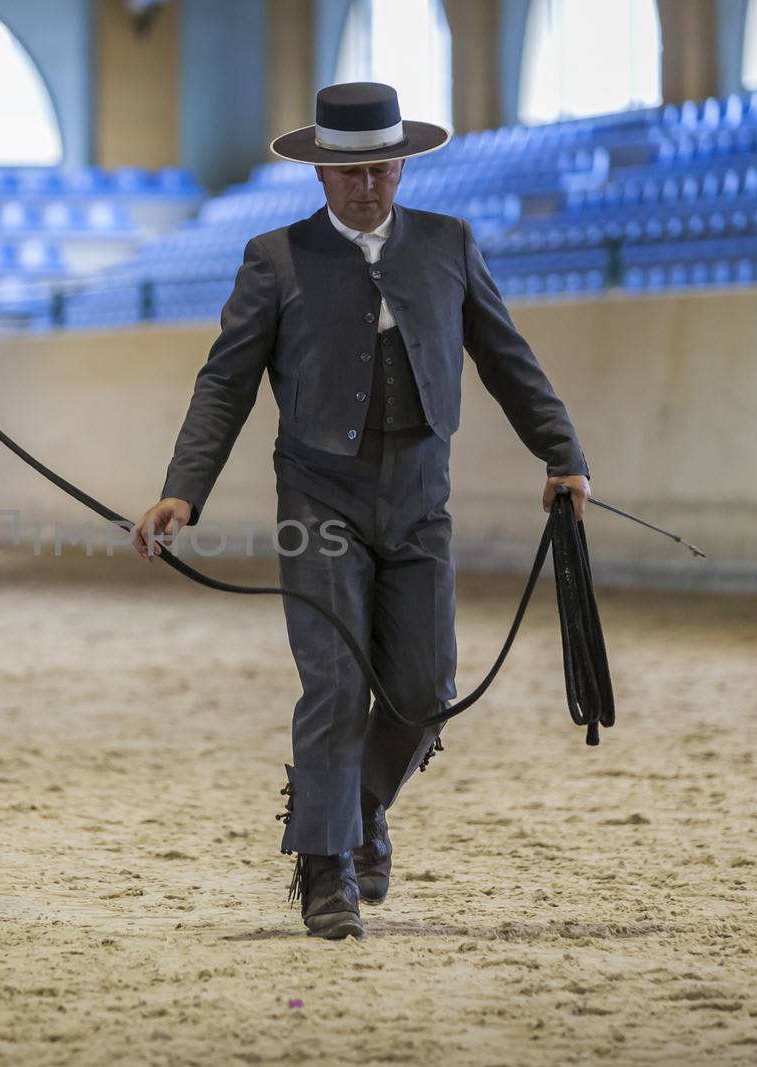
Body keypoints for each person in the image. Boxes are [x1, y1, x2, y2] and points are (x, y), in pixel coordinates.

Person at [131, 82, 591, 940]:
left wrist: (563, 455)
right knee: (336, 681)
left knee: (424, 688)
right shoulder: (275, 258)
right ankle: (325, 865)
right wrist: (182, 488)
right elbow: (225, 382)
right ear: (320, 175)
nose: (366, 184)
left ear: (403, 164)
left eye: (380, 167)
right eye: (348, 172)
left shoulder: (449, 245)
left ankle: (362, 805)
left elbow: (506, 358)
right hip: (318, 498)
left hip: (422, 497)